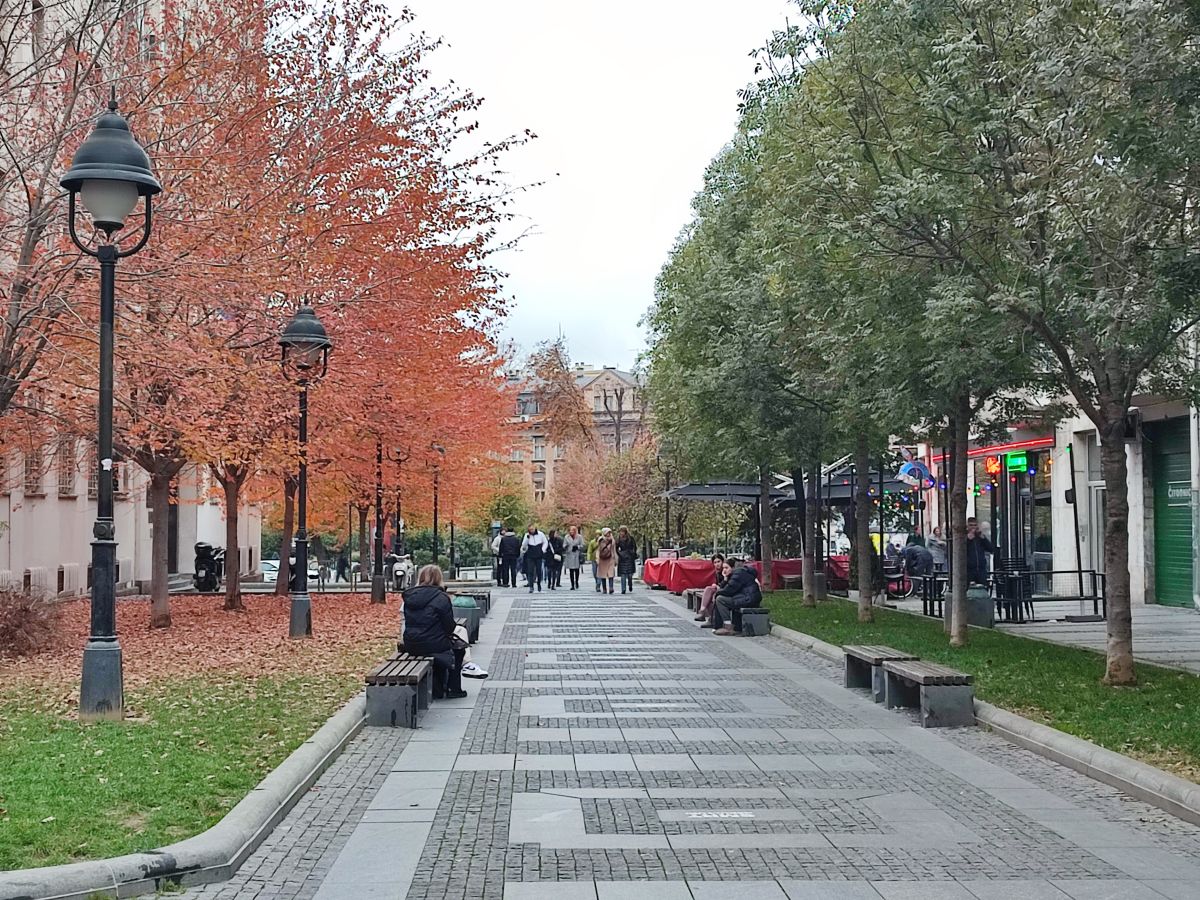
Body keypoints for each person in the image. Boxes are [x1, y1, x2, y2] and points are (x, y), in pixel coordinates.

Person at [400, 565, 468, 700]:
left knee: (439, 647)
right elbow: (449, 627)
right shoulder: (442, 597)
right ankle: (454, 688)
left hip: (411, 644)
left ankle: (439, 687)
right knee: (459, 650)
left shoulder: (410, 596)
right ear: (439, 579)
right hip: (433, 644)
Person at [713, 558, 762, 636]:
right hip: (747, 597)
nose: (724, 570)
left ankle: (728, 627)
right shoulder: (739, 572)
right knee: (720, 597)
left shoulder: (738, 574)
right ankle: (717, 623)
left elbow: (729, 590)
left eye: (726, 568)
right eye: (723, 568)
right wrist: (725, 579)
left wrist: (717, 593)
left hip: (748, 599)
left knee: (720, 599)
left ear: (732, 568)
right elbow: (727, 589)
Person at [697, 555, 728, 626]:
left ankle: (705, 615)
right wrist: (716, 585)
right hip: (720, 590)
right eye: (715, 562)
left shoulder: (726, 570)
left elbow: (727, 584)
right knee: (709, 591)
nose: (717, 564)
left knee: (712, 594)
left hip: (727, 592)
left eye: (719, 561)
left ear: (723, 561)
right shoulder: (717, 572)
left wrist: (718, 586)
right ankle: (705, 613)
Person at [966, 517, 995, 586]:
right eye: (971, 525)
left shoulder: (980, 537)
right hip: (969, 569)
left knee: (983, 588)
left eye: (975, 525)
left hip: (981, 569)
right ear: (967, 526)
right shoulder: (963, 536)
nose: (973, 527)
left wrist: (983, 538)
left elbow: (991, 549)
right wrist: (968, 540)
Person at [521, 524, 548, 593]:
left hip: (538, 554)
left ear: (535, 528)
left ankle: (539, 585)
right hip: (530, 554)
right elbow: (524, 545)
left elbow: (545, 542)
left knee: (539, 571)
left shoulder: (540, 534)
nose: (531, 531)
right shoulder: (527, 535)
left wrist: (543, 550)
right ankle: (531, 586)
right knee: (530, 571)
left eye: (532, 529)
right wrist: (527, 538)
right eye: (530, 530)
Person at [615, 526, 638, 594]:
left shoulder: (630, 538)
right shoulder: (618, 539)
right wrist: (620, 554)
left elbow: (634, 547)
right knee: (623, 574)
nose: (621, 533)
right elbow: (616, 548)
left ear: (625, 532)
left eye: (622, 531)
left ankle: (630, 584)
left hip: (630, 557)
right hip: (622, 558)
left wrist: (632, 553)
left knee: (630, 574)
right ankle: (623, 589)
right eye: (620, 531)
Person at [562, 526, 585, 590]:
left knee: (577, 570)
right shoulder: (566, 537)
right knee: (571, 570)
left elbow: (583, 545)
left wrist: (577, 547)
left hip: (576, 554)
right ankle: (572, 584)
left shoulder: (579, 537)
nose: (571, 532)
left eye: (573, 530)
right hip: (569, 554)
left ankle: (576, 582)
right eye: (570, 530)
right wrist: (566, 546)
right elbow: (564, 545)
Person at [595, 527, 617, 594]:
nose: (609, 534)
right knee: (603, 574)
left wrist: (615, 558)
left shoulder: (612, 540)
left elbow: (614, 549)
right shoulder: (600, 540)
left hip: (610, 558)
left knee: (611, 574)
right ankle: (604, 588)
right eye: (607, 532)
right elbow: (598, 550)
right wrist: (597, 558)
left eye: (609, 532)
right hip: (602, 559)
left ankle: (611, 588)